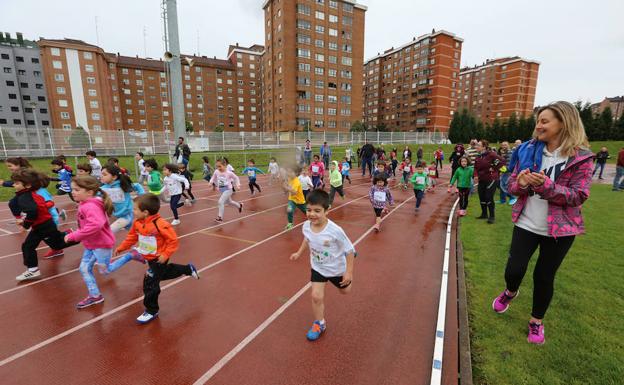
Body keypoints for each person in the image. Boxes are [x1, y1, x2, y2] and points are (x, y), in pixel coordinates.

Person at [492, 101, 594, 345]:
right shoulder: (528, 150)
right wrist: (523, 184)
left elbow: (578, 196)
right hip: (527, 222)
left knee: (544, 276)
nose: (538, 126)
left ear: (563, 123)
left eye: (545, 121)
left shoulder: (581, 158)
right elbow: (512, 185)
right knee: (514, 269)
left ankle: (536, 322)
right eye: (538, 121)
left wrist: (546, 186)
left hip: (560, 230)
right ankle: (510, 292)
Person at [115, 193, 200, 324]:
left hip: (159, 258)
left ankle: (151, 310)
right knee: (163, 273)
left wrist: (165, 254)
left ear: (145, 212)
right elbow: (132, 237)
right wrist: (122, 247)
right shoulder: (137, 223)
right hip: (149, 257)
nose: (133, 211)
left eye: (135, 209)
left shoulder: (160, 224)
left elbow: (173, 241)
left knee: (150, 283)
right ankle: (187, 269)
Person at [289, 189, 356, 341]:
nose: (312, 214)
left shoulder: (335, 231)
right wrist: (299, 253)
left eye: (317, 211)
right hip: (318, 267)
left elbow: (350, 250)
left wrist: (349, 272)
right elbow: (307, 239)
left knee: (345, 291)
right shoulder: (306, 226)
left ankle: (346, 276)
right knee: (316, 297)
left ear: (327, 210)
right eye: (309, 210)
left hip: (337, 268)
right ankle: (320, 323)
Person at [10, 169, 75, 281]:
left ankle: (80, 236)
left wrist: (25, 224)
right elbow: (39, 208)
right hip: (42, 225)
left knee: (57, 245)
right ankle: (33, 270)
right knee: (28, 246)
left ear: (28, 185)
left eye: (16, 183)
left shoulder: (25, 197)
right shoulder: (30, 194)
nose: (13, 185)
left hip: (44, 226)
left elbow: (33, 211)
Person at [65, 175, 116, 308]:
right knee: (84, 269)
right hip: (92, 244)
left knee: (105, 271)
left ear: (89, 192)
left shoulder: (90, 206)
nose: (73, 192)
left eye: (77, 190)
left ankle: (131, 255)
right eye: (72, 189)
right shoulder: (85, 203)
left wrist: (75, 235)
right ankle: (95, 296)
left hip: (101, 245)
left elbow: (95, 225)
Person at [100, 164, 145, 233]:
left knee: (108, 232)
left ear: (114, 177)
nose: (101, 176)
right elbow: (92, 194)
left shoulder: (123, 184)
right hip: (115, 216)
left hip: (127, 216)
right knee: (135, 235)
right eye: (101, 174)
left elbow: (138, 186)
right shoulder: (103, 188)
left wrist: (141, 196)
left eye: (104, 174)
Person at [474, 140, 504, 224]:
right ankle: (484, 214)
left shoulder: (491, 154)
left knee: (488, 197)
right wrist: (475, 175)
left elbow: (502, 162)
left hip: (491, 179)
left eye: (478, 145)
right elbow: (475, 167)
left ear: (484, 147)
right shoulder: (478, 156)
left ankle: (492, 216)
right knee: (482, 197)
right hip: (481, 179)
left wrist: (494, 168)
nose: (476, 146)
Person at [209, 158, 242, 222]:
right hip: (221, 190)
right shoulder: (216, 171)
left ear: (225, 165)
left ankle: (220, 217)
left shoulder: (229, 173)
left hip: (228, 189)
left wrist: (238, 185)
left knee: (220, 202)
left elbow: (236, 178)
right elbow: (213, 177)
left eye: (220, 166)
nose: (218, 168)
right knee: (229, 202)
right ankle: (239, 205)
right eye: (217, 166)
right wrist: (210, 182)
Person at [284, 165, 308, 230]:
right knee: (289, 210)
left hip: (300, 201)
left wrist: (286, 187)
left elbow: (294, 192)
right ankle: (290, 223)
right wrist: (285, 187)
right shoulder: (289, 179)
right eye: (288, 172)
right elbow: (286, 191)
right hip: (292, 199)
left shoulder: (296, 181)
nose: (289, 173)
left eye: (291, 172)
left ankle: (316, 220)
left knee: (308, 213)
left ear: (296, 173)